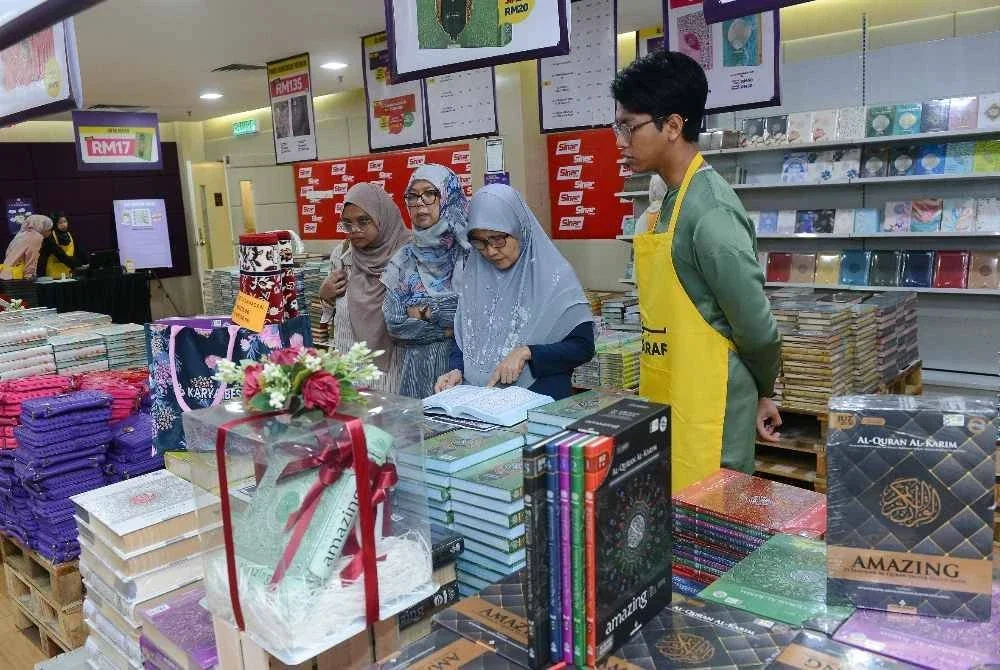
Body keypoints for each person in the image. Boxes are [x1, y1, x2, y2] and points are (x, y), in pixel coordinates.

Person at [611, 50, 782, 490]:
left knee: (712, 534)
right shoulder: (668, 201)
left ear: (672, 126)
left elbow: (756, 328)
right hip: (670, 392)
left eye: (629, 127)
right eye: (618, 127)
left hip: (711, 406)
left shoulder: (710, 212)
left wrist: (762, 390)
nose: (620, 141)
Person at [435, 184, 595, 401]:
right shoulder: (476, 276)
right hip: (480, 402)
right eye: (480, 243)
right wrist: (456, 370)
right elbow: (466, 336)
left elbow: (583, 347)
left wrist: (527, 352)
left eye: (499, 239)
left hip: (539, 401)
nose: (490, 251)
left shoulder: (554, 277)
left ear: (519, 230)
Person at [382, 165, 469, 399]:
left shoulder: (471, 254)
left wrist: (425, 312)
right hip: (416, 374)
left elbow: (473, 317)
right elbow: (395, 324)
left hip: (463, 372)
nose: (420, 203)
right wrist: (448, 330)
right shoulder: (403, 259)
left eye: (430, 193)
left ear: (448, 196)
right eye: (412, 196)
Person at [319, 183, 411, 394]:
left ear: (382, 217)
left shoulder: (408, 256)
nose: (355, 231)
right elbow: (333, 310)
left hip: (391, 372)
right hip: (349, 367)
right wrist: (325, 296)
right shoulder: (342, 255)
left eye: (363, 221)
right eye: (347, 224)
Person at [0, 215, 53, 280]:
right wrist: (29, 275)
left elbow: (8, 253)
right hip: (18, 276)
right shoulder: (36, 237)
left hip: (5, 273)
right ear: (41, 227)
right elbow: (32, 257)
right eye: (49, 229)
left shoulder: (22, 234)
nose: (50, 232)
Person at [40, 213, 87, 278]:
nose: (63, 225)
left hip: (69, 271)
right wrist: (76, 265)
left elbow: (80, 251)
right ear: (54, 224)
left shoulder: (70, 235)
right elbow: (60, 254)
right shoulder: (50, 237)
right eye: (60, 223)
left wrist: (86, 263)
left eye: (65, 222)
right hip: (54, 273)